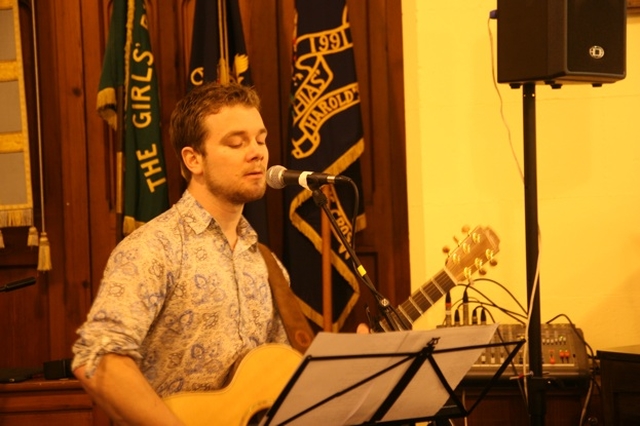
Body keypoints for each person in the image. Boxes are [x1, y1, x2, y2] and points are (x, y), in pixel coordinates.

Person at [72, 82, 293, 425]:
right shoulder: (153, 249)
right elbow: (97, 359)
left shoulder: (267, 264)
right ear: (193, 159)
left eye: (260, 140)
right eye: (236, 142)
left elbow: (281, 379)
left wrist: (340, 370)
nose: (257, 153)